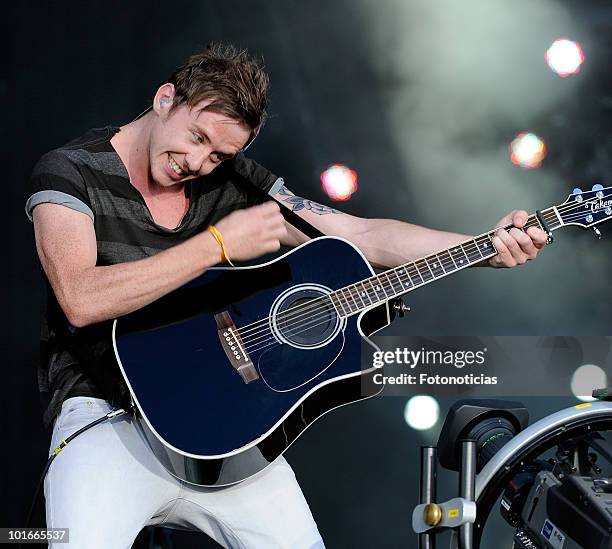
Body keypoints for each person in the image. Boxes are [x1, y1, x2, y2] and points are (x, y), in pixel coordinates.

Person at [26, 44, 547, 549]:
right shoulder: (71, 171)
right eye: (197, 136)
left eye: (219, 154)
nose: (199, 162)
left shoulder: (233, 179)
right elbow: (81, 297)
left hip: (224, 434)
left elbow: (355, 235)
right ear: (166, 99)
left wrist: (482, 249)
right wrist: (218, 244)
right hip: (106, 419)